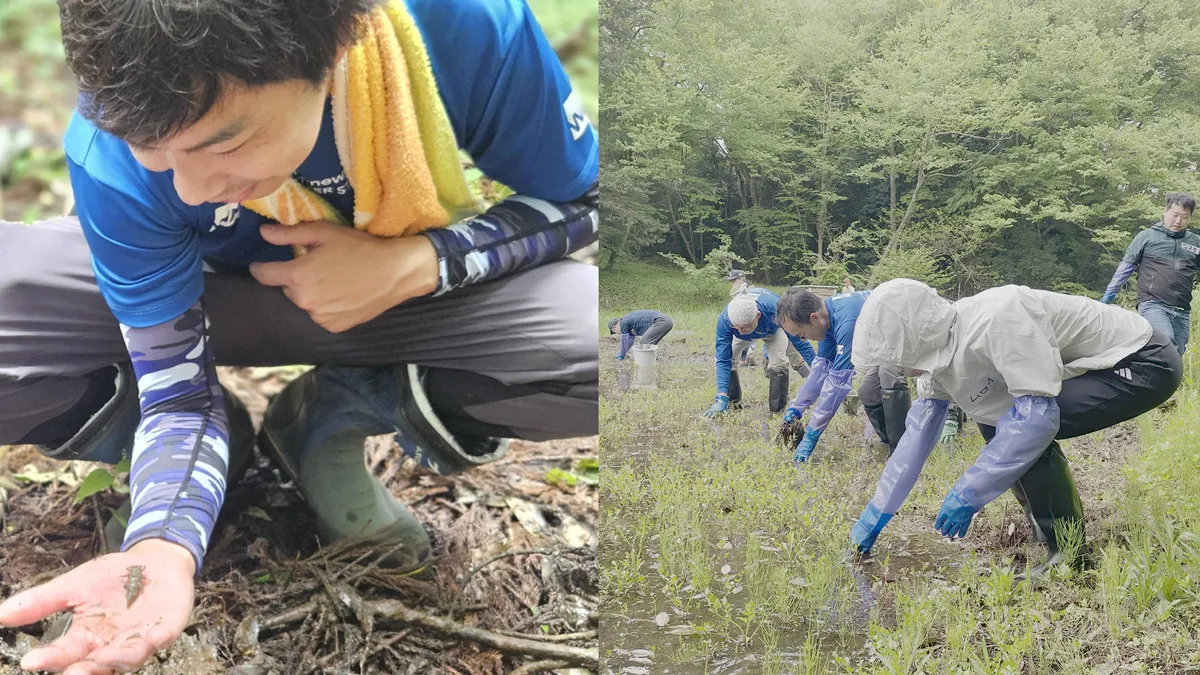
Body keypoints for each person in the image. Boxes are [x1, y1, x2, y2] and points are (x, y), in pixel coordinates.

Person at [0, 0, 598, 672]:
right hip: (192, 305)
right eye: (151, 149)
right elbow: (179, 392)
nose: (191, 188)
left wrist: (420, 262)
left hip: (385, 297)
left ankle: (333, 418)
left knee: (613, 342)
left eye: (224, 142)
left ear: (341, 36)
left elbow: (584, 198)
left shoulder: (457, 25)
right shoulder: (115, 133)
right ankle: (179, 450)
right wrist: (162, 544)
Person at [848, 279, 1182, 578]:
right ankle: (1043, 522)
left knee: (1025, 430)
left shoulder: (999, 317)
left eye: (899, 354)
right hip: (1103, 368)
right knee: (997, 419)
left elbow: (1036, 420)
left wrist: (968, 493)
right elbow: (915, 440)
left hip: (1141, 361)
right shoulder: (935, 358)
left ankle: (1070, 554)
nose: (900, 367)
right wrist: (876, 513)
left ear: (916, 335)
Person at [775, 287, 911, 463]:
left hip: (909, 335)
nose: (804, 340)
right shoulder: (827, 318)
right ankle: (887, 442)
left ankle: (902, 450)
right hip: (886, 345)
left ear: (814, 318)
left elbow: (836, 386)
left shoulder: (847, 322)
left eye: (802, 335)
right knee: (868, 391)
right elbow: (820, 370)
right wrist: (796, 408)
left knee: (888, 376)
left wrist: (811, 435)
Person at [1100, 192, 1199, 356]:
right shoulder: (1147, 236)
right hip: (1153, 303)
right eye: (1175, 215)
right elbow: (1126, 268)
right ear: (1165, 211)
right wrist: (1108, 297)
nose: (1178, 221)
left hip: (1182, 309)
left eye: (1184, 217)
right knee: (1166, 342)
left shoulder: (1194, 243)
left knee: (1177, 357)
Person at [705, 288, 815, 416]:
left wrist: (818, 367)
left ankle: (777, 410)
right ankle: (732, 403)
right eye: (737, 327)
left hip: (772, 330)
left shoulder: (775, 310)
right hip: (742, 337)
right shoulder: (726, 321)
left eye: (744, 327)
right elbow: (723, 359)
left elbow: (800, 343)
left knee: (779, 362)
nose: (740, 330)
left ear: (757, 316)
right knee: (730, 360)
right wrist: (721, 395)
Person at [610, 310, 674, 360]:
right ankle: (651, 360)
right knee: (650, 344)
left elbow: (625, 341)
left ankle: (646, 363)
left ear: (614, 327)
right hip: (667, 321)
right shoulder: (627, 321)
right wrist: (624, 353)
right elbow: (630, 340)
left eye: (615, 332)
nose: (619, 334)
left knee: (644, 342)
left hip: (661, 321)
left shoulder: (623, 323)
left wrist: (622, 354)